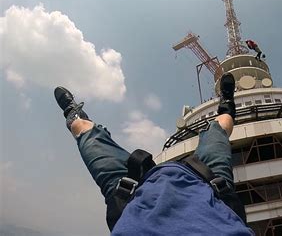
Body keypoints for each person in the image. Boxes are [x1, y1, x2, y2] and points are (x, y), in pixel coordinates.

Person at [54, 73, 254, 235]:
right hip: (211, 186)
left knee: (80, 128)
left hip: (129, 194)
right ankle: (227, 103)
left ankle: (74, 113)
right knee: (219, 128)